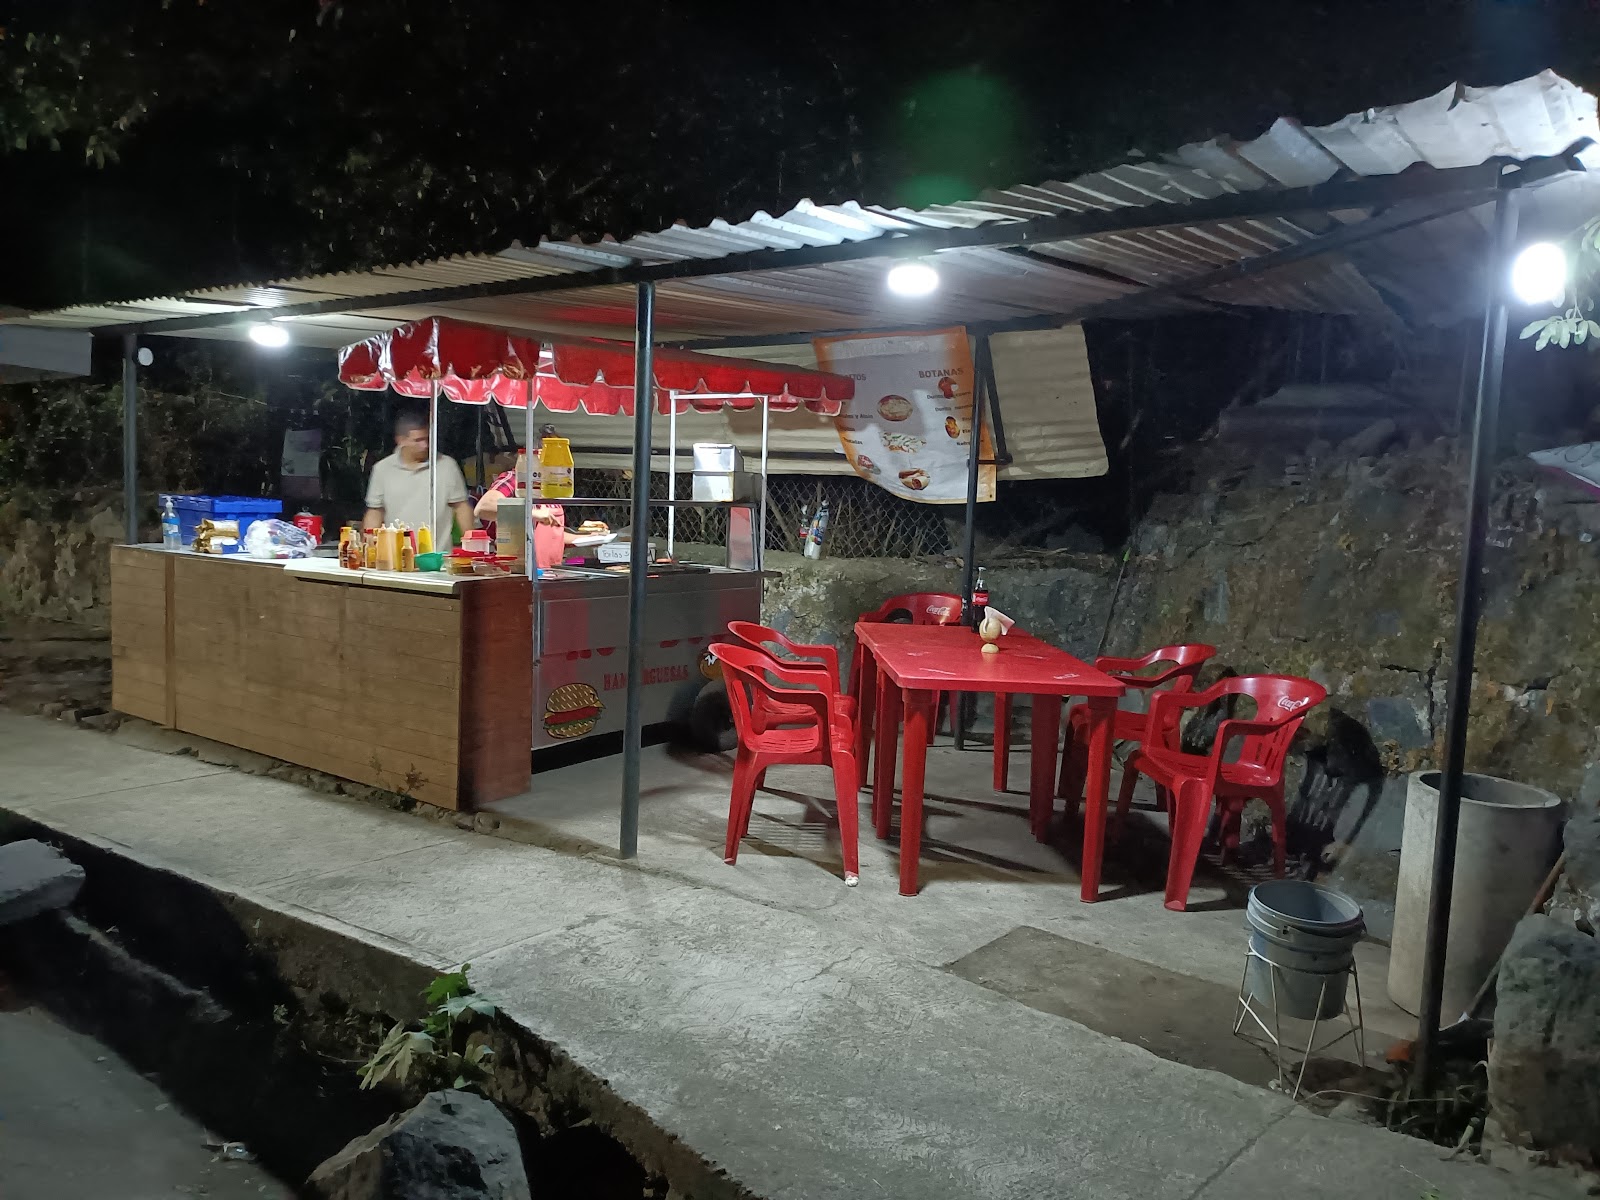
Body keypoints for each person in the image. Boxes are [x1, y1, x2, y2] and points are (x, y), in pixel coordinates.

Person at [364, 411, 475, 547]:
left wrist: (472, 545)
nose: (425, 445)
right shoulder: (382, 469)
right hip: (396, 555)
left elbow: (461, 507)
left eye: (427, 439)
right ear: (401, 440)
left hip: (438, 555)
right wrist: (368, 543)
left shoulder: (447, 466)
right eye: (418, 440)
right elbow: (375, 511)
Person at [474, 424, 574, 570]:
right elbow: (483, 508)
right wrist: (532, 513)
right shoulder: (516, 479)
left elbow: (553, 535)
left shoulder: (552, 486)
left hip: (549, 572)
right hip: (518, 570)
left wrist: (591, 537)